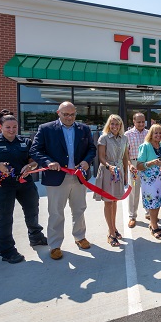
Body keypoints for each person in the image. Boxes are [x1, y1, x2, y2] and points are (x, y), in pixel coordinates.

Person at [0, 110, 47, 264]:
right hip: (2, 186)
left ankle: (36, 236)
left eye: (14, 127)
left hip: (24, 184)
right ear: (0, 126)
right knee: (5, 218)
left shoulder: (25, 142)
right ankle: (7, 251)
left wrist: (30, 166)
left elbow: (33, 161)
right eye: (8, 127)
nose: (11, 130)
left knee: (32, 211)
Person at [29, 101, 97, 260]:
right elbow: (35, 150)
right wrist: (47, 162)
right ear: (58, 113)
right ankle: (55, 245)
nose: (69, 117)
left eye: (72, 114)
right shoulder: (46, 129)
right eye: (65, 114)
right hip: (57, 177)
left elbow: (91, 149)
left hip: (79, 177)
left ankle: (80, 237)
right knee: (56, 213)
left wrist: (87, 161)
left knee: (79, 209)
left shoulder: (84, 129)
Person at [93, 114, 128, 247]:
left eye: (117, 124)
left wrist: (125, 173)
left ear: (120, 126)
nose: (114, 126)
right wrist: (109, 166)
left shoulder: (124, 138)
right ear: (109, 125)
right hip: (108, 171)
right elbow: (101, 157)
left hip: (119, 171)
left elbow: (125, 157)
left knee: (114, 201)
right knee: (108, 202)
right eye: (112, 124)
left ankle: (113, 228)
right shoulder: (104, 138)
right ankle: (111, 233)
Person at [137, 124, 161, 239]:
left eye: (160, 133)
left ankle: (152, 223)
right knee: (152, 202)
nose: (158, 135)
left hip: (160, 179)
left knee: (158, 202)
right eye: (156, 133)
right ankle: (154, 226)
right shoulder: (145, 146)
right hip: (149, 181)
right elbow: (139, 165)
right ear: (151, 134)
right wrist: (151, 163)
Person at [125, 112, 148, 228]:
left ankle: (148, 212)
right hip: (134, 164)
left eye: (143, 121)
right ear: (133, 122)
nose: (141, 124)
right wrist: (129, 164)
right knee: (134, 191)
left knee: (148, 188)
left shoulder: (149, 133)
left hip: (147, 164)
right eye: (138, 122)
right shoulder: (128, 134)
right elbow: (125, 153)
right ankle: (132, 216)